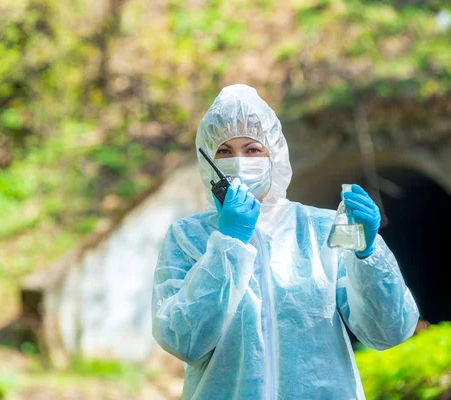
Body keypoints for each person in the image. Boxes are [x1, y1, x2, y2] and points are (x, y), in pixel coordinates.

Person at [151, 84, 419, 399]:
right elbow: (183, 341)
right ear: (208, 160)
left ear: (274, 155)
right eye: (224, 151)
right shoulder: (188, 237)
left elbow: (388, 331)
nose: (238, 162)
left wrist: (367, 255)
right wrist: (228, 244)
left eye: (252, 149)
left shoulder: (320, 229)